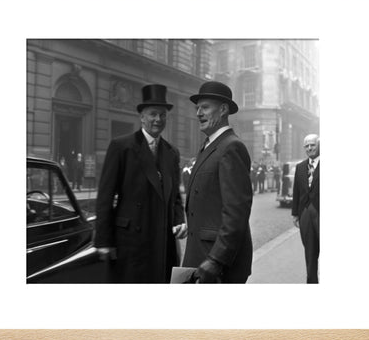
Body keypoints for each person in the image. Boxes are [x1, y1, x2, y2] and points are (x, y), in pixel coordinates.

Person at [94, 84, 187, 283]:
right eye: (153, 114)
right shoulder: (122, 146)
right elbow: (105, 196)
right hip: (130, 240)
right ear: (142, 117)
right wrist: (104, 240)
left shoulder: (172, 152)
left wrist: (179, 220)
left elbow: (175, 197)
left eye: (163, 115)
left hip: (162, 239)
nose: (158, 119)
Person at [182, 81, 253, 283]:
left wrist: (216, 259)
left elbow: (236, 212)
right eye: (197, 108)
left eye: (205, 107)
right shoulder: (210, 146)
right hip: (201, 254)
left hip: (217, 262)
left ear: (223, 110)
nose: (198, 113)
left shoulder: (231, 147)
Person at [292, 134, 320, 283]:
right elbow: (296, 191)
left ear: (319, 145)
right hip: (305, 214)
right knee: (309, 252)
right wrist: (295, 214)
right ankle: (312, 281)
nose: (309, 148)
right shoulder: (300, 167)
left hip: (321, 213)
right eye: (307, 146)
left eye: (313, 145)